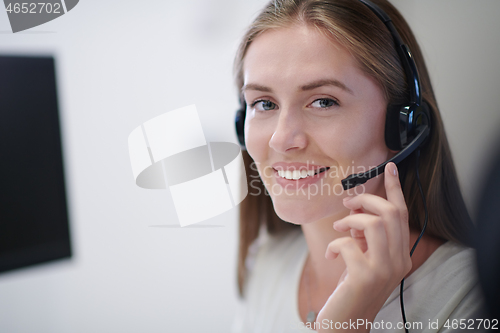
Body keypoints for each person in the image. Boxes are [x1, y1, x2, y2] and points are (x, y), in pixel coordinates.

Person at [231, 0, 485, 332]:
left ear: (404, 124)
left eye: (324, 101)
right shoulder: (268, 263)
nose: (281, 139)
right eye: (264, 103)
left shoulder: (469, 294)